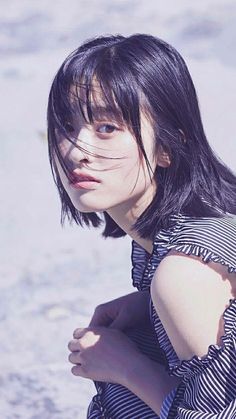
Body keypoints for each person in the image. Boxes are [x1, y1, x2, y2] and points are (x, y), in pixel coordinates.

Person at [47, 34, 236, 418]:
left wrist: (126, 367)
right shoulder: (205, 217)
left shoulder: (184, 273)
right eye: (67, 124)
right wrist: (148, 304)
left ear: (167, 146)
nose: (77, 150)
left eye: (106, 128)